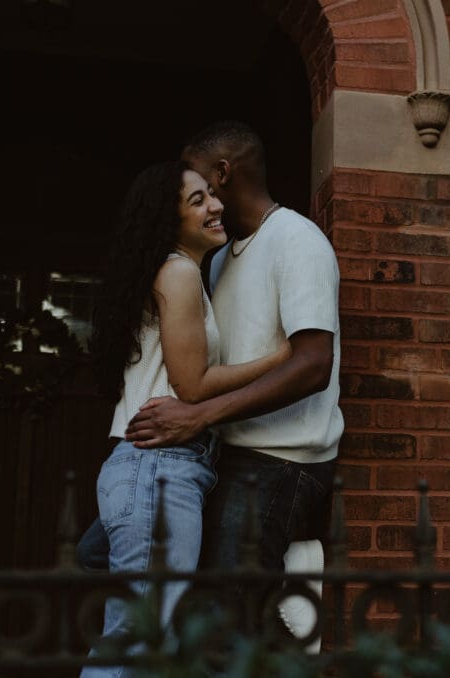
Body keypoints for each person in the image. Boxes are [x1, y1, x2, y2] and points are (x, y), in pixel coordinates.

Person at [82, 160, 289, 677]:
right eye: (196, 201)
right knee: (137, 641)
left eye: (210, 196)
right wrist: (282, 358)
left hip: (147, 467)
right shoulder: (177, 272)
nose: (215, 205)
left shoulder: (176, 274)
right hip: (160, 465)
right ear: (166, 220)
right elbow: (192, 385)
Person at [125, 121, 343, 578]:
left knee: (228, 609)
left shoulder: (297, 239)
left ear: (222, 173)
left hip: (281, 459)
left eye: (198, 177)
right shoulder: (219, 256)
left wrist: (200, 415)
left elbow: (313, 364)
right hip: (222, 452)